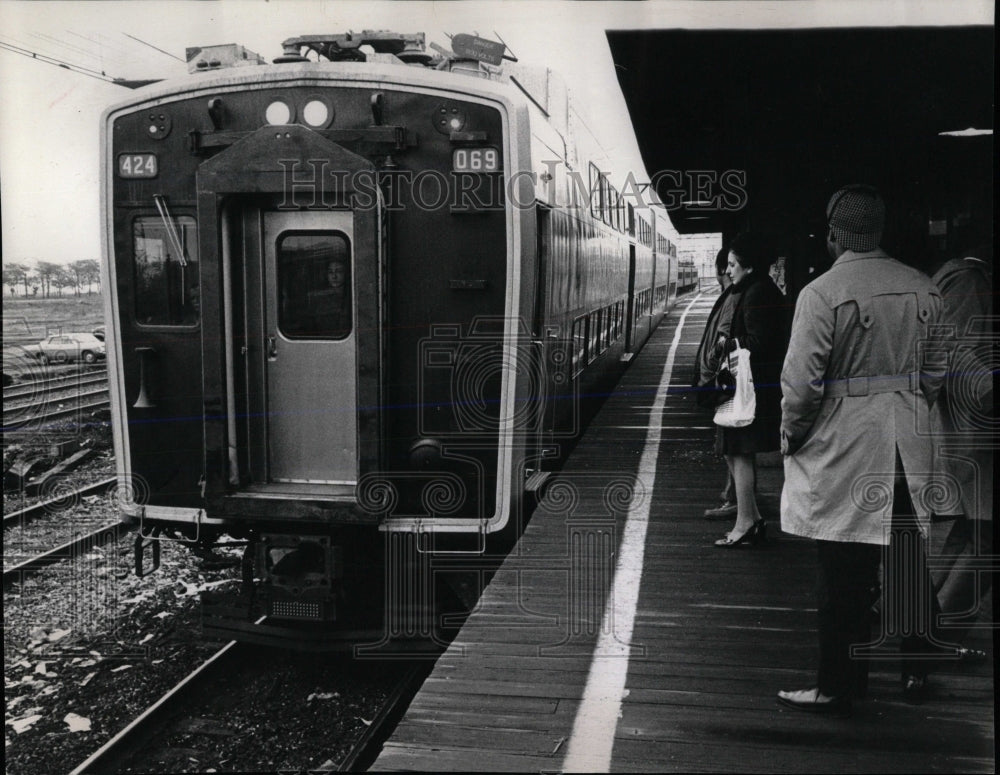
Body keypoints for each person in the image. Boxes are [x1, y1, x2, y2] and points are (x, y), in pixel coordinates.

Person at [777, 185, 947, 716]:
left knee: (843, 565)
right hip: (909, 440)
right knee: (908, 558)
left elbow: (801, 385)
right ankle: (918, 670)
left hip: (848, 443)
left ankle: (839, 685)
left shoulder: (821, 293)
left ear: (834, 235)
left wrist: (792, 434)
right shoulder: (924, 287)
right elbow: (938, 372)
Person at [930, 245, 993, 650]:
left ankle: (909, 615)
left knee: (971, 531)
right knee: (988, 541)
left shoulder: (953, 278)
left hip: (967, 433)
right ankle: (940, 634)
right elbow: (956, 352)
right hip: (977, 433)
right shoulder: (970, 281)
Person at [712, 232, 790, 547]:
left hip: (749, 390)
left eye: (732, 265)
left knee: (739, 451)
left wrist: (726, 344)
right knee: (735, 450)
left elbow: (760, 343)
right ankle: (751, 518)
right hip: (748, 387)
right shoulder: (758, 289)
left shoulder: (757, 293)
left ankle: (745, 522)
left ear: (748, 265)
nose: (727, 271)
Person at [692, 247, 737, 519]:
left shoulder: (731, 299)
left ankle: (733, 500)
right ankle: (732, 498)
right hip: (726, 381)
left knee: (731, 446)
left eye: (733, 265)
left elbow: (721, 340)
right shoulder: (730, 296)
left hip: (724, 382)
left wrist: (707, 372)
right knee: (730, 446)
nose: (729, 271)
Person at [306, 258, 352, 338]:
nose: (334, 276)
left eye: (339, 272)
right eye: (330, 272)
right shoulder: (319, 297)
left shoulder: (351, 296)